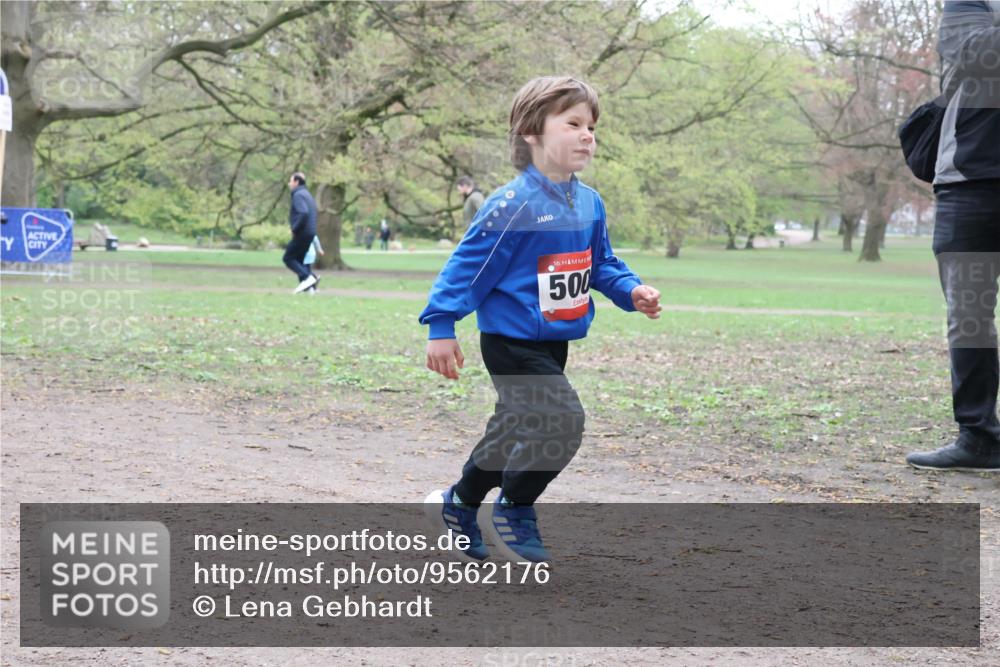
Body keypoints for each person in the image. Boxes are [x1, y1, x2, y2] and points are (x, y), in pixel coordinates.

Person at [419, 76, 662, 562]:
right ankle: (515, 506)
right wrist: (442, 326)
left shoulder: (590, 202)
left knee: (513, 429)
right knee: (561, 421)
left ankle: (458, 504)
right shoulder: (512, 204)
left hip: (554, 342)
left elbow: (602, 263)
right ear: (532, 132)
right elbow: (469, 266)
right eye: (573, 123)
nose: (587, 134)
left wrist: (630, 289)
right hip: (509, 342)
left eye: (592, 126)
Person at [906, 1, 1000, 472]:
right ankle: (979, 437)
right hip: (971, 180)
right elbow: (976, 52)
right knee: (969, 315)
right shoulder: (971, 3)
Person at [283, 172, 319, 293]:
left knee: (288, 258)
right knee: (299, 260)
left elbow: (303, 213)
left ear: (297, 182)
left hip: (302, 232)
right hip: (310, 232)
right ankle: (311, 290)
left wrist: (294, 228)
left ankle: (310, 278)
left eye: (291, 181)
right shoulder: (307, 195)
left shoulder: (298, 195)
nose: (289, 184)